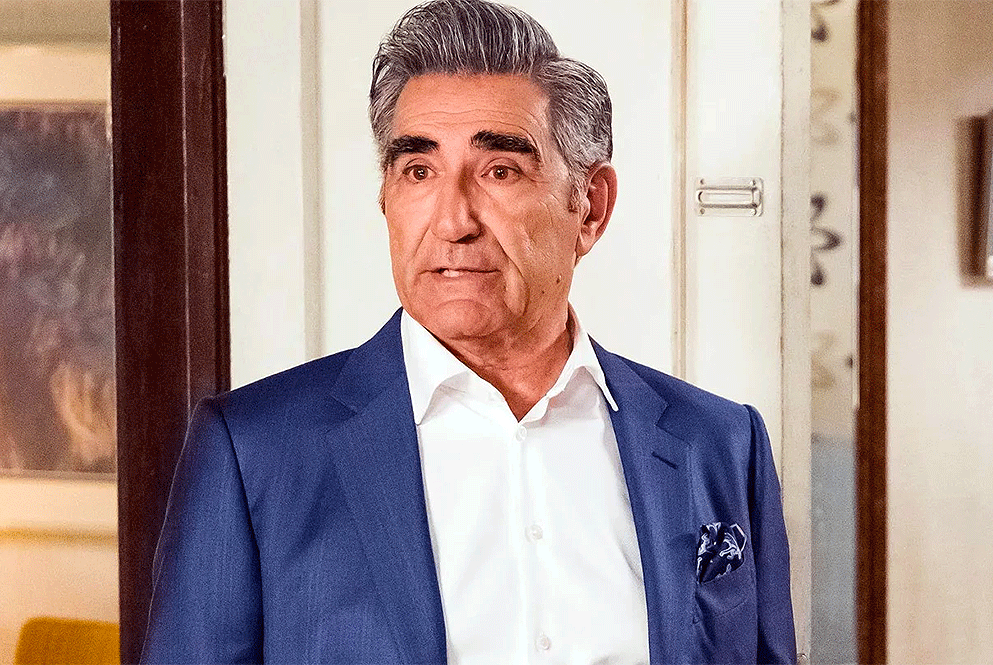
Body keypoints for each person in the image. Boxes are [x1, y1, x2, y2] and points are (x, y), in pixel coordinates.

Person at [141, 1, 795, 663]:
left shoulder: (720, 442)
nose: (453, 221)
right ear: (387, 199)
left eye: (499, 171)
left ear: (590, 208)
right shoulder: (256, 451)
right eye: (418, 171)